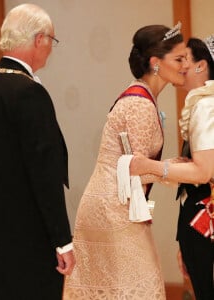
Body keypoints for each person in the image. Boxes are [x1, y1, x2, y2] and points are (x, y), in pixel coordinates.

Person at [62, 23, 188, 299]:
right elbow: (137, 170)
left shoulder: (142, 95)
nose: (185, 65)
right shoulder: (140, 104)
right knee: (143, 289)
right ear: (156, 63)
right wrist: (183, 170)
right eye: (179, 59)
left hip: (110, 204)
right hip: (114, 209)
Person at [0, 3, 75, 300]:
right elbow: (45, 172)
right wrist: (62, 240)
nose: (50, 49)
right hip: (30, 235)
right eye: (51, 40)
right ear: (39, 39)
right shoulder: (28, 92)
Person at [130, 36, 214, 300]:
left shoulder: (205, 105)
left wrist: (151, 167)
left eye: (183, 59)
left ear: (201, 66)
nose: (179, 66)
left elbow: (203, 172)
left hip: (205, 220)